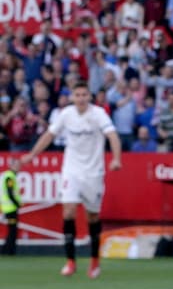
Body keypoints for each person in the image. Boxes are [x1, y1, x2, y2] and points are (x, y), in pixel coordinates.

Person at [19, 83, 123, 278]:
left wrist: (117, 158)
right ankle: (70, 261)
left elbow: (113, 136)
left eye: (84, 94)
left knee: (92, 217)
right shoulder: (66, 114)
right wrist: (32, 155)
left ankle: (94, 261)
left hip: (94, 172)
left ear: (89, 97)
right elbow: (49, 135)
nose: (81, 98)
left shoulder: (98, 114)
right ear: (72, 97)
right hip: (72, 170)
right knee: (68, 211)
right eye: (78, 95)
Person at [1, 158, 20, 255]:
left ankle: (6, 250)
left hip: (8, 208)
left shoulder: (7, 176)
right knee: (12, 230)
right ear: (11, 166)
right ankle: (9, 251)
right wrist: (17, 203)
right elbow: (10, 192)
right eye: (16, 165)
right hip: (11, 208)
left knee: (11, 230)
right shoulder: (10, 177)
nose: (18, 167)